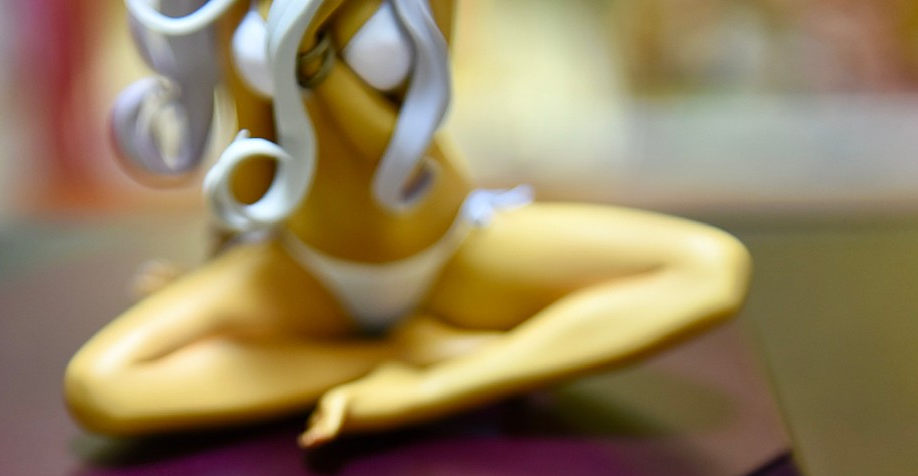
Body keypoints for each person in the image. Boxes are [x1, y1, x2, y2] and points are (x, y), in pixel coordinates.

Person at [65, 0, 750, 447]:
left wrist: (316, 66)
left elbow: (406, 149)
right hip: (305, 267)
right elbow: (253, 140)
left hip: (444, 245)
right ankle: (399, 353)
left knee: (710, 269)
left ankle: (439, 384)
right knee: (101, 387)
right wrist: (222, 261)